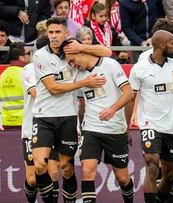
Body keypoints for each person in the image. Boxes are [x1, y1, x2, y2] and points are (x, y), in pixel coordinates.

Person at [31, 17, 109, 202]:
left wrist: (83, 48)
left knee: (66, 167)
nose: (53, 36)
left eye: (57, 32)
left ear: (66, 33)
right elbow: (53, 88)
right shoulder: (40, 55)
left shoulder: (73, 48)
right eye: (50, 33)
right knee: (40, 165)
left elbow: (107, 51)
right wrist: (84, 82)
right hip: (44, 116)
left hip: (67, 117)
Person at [129, 30, 173, 203]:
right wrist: (126, 126)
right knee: (152, 163)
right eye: (172, 43)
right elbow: (131, 99)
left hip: (172, 125)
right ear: (161, 45)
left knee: (170, 175)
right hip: (149, 123)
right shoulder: (139, 68)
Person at [60, 38, 135, 203]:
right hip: (91, 129)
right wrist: (79, 127)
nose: (72, 65)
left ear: (81, 51)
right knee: (87, 171)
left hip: (115, 129)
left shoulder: (110, 64)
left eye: (72, 60)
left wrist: (113, 109)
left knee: (122, 178)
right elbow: (81, 105)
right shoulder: (78, 76)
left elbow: (129, 93)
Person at [21, 36, 60, 203]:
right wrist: (55, 88)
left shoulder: (59, 67)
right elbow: (37, 94)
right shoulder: (28, 69)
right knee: (32, 179)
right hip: (32, 127)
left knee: (53, 173)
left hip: (53, 126)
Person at [0, 42, 31, 129]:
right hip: (24, 120)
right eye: (29, 53)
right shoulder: (26, 73)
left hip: (6, 120)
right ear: (21, 58)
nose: (30, 56)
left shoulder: (4, 74)